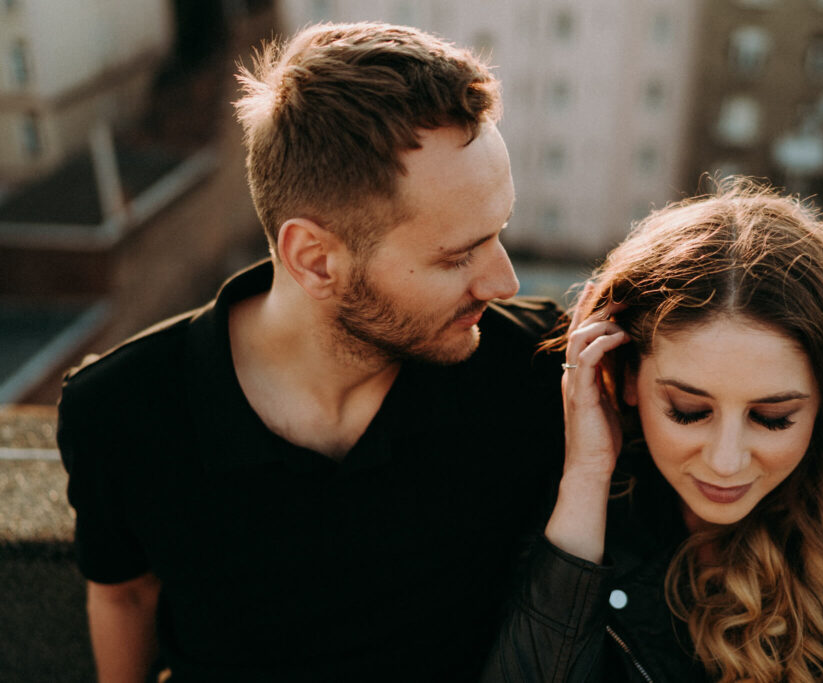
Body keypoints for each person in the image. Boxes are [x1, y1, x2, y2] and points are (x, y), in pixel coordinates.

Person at [56, 23, 565, 681]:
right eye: (457, 254)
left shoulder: (538, 367)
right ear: (314, 259)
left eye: (498, 232)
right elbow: (125, 592)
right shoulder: (120, 410)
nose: (504, 281)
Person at [484, 181, 823, 682]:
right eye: (688, 411)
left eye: (773, 418)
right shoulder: (578, 507)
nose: (726, 461)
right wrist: (586, 478)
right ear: (627, 378)